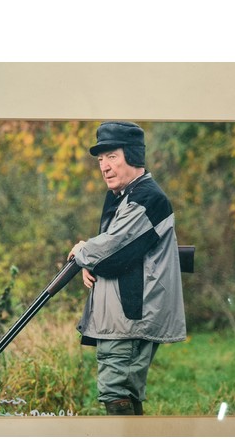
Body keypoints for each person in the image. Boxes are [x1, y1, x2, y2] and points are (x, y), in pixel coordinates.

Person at [68, 121, 186, 416]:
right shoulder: (124, 198)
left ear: (133, 156)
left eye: (112, 157)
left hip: (129, 319)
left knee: (116, 390)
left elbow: (113, 251)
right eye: (100, 159)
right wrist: (90, 259)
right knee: (124, 392)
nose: (104, 167)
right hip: (122, 318)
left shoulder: (146, 198)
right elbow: (113, 250)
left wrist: (84, 252)